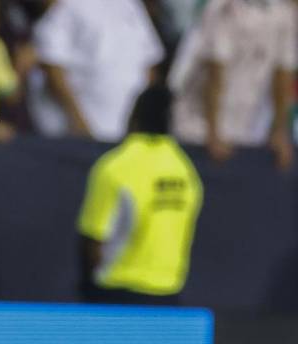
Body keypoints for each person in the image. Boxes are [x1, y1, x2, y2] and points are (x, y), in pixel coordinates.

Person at [78, 85, 203, 306]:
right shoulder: (186, 170)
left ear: (134, 116)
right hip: (169, 292)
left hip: (117, 293)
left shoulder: (114, 166)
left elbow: (93, 238)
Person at [168, 0, 297, 170]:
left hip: (247, 129)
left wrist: (280, 131)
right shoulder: (222, 7)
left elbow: (283, 77)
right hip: (197, 128)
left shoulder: (284, 14)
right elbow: (215, 73)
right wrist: (213, 132)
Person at [28, 0, 163, 142]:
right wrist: (78, 123)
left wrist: (143, 120)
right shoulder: (66, 5)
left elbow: (150, 60)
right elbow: (52, 66)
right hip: (84, 135)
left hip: (129, 135)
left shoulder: (130, 4)